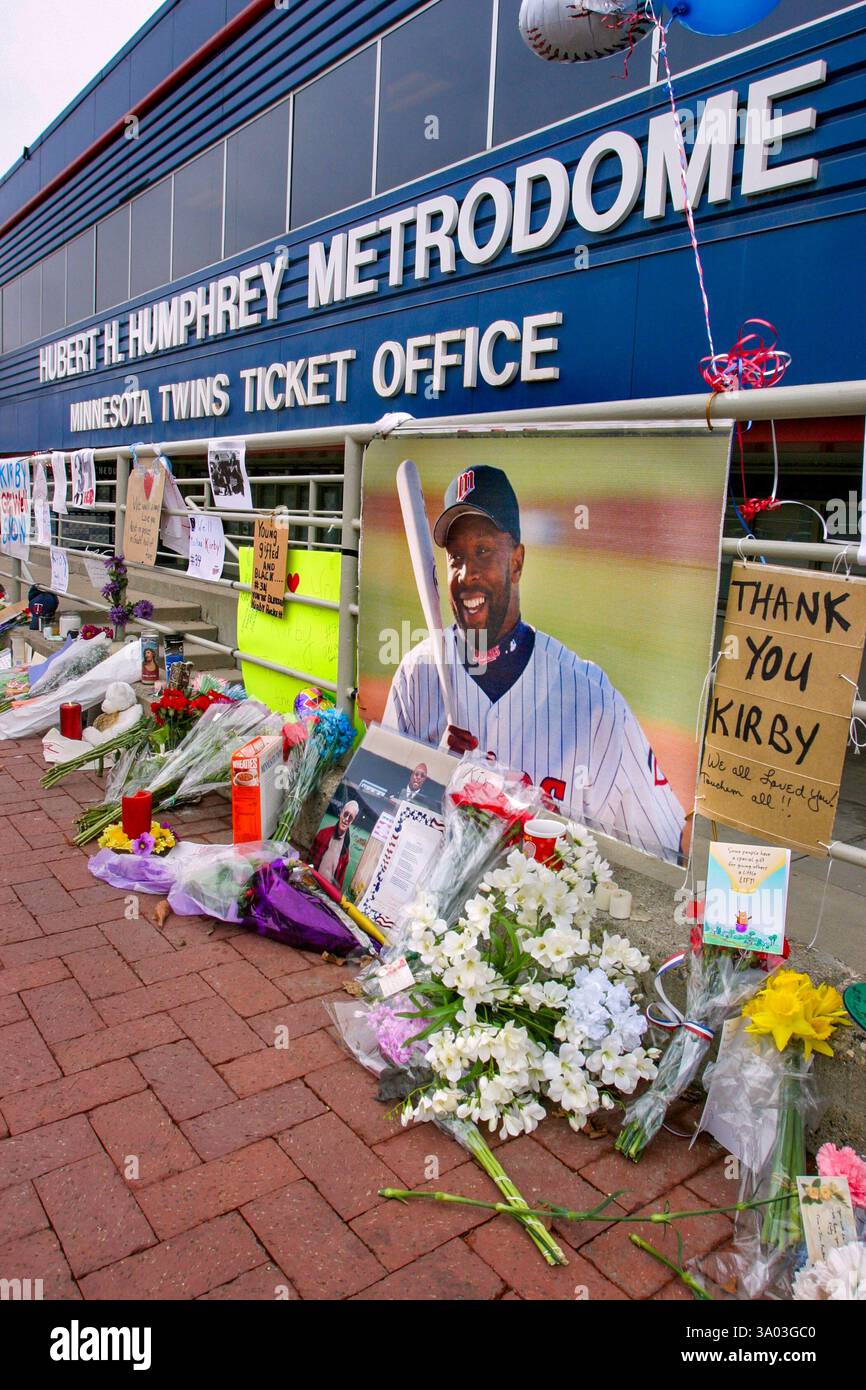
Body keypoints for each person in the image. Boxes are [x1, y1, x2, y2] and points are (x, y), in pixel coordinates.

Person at [383, 465, 686, 863]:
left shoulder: (591, 700)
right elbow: (379, 816)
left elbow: (664, 847)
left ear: (517, 562)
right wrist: (431, 777)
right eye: (455, 558)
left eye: (483, 551)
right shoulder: (416, 676)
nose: (466, 573)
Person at [309, 800, 359, 892]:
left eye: (350, 817)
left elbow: (339, 882)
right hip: (310, 883)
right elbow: (309, 860)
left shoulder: (345, 853)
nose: (346, 819)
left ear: (352, 822)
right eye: (345, 814)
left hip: (325, 894)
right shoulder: (323, 834)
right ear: (341, 813)